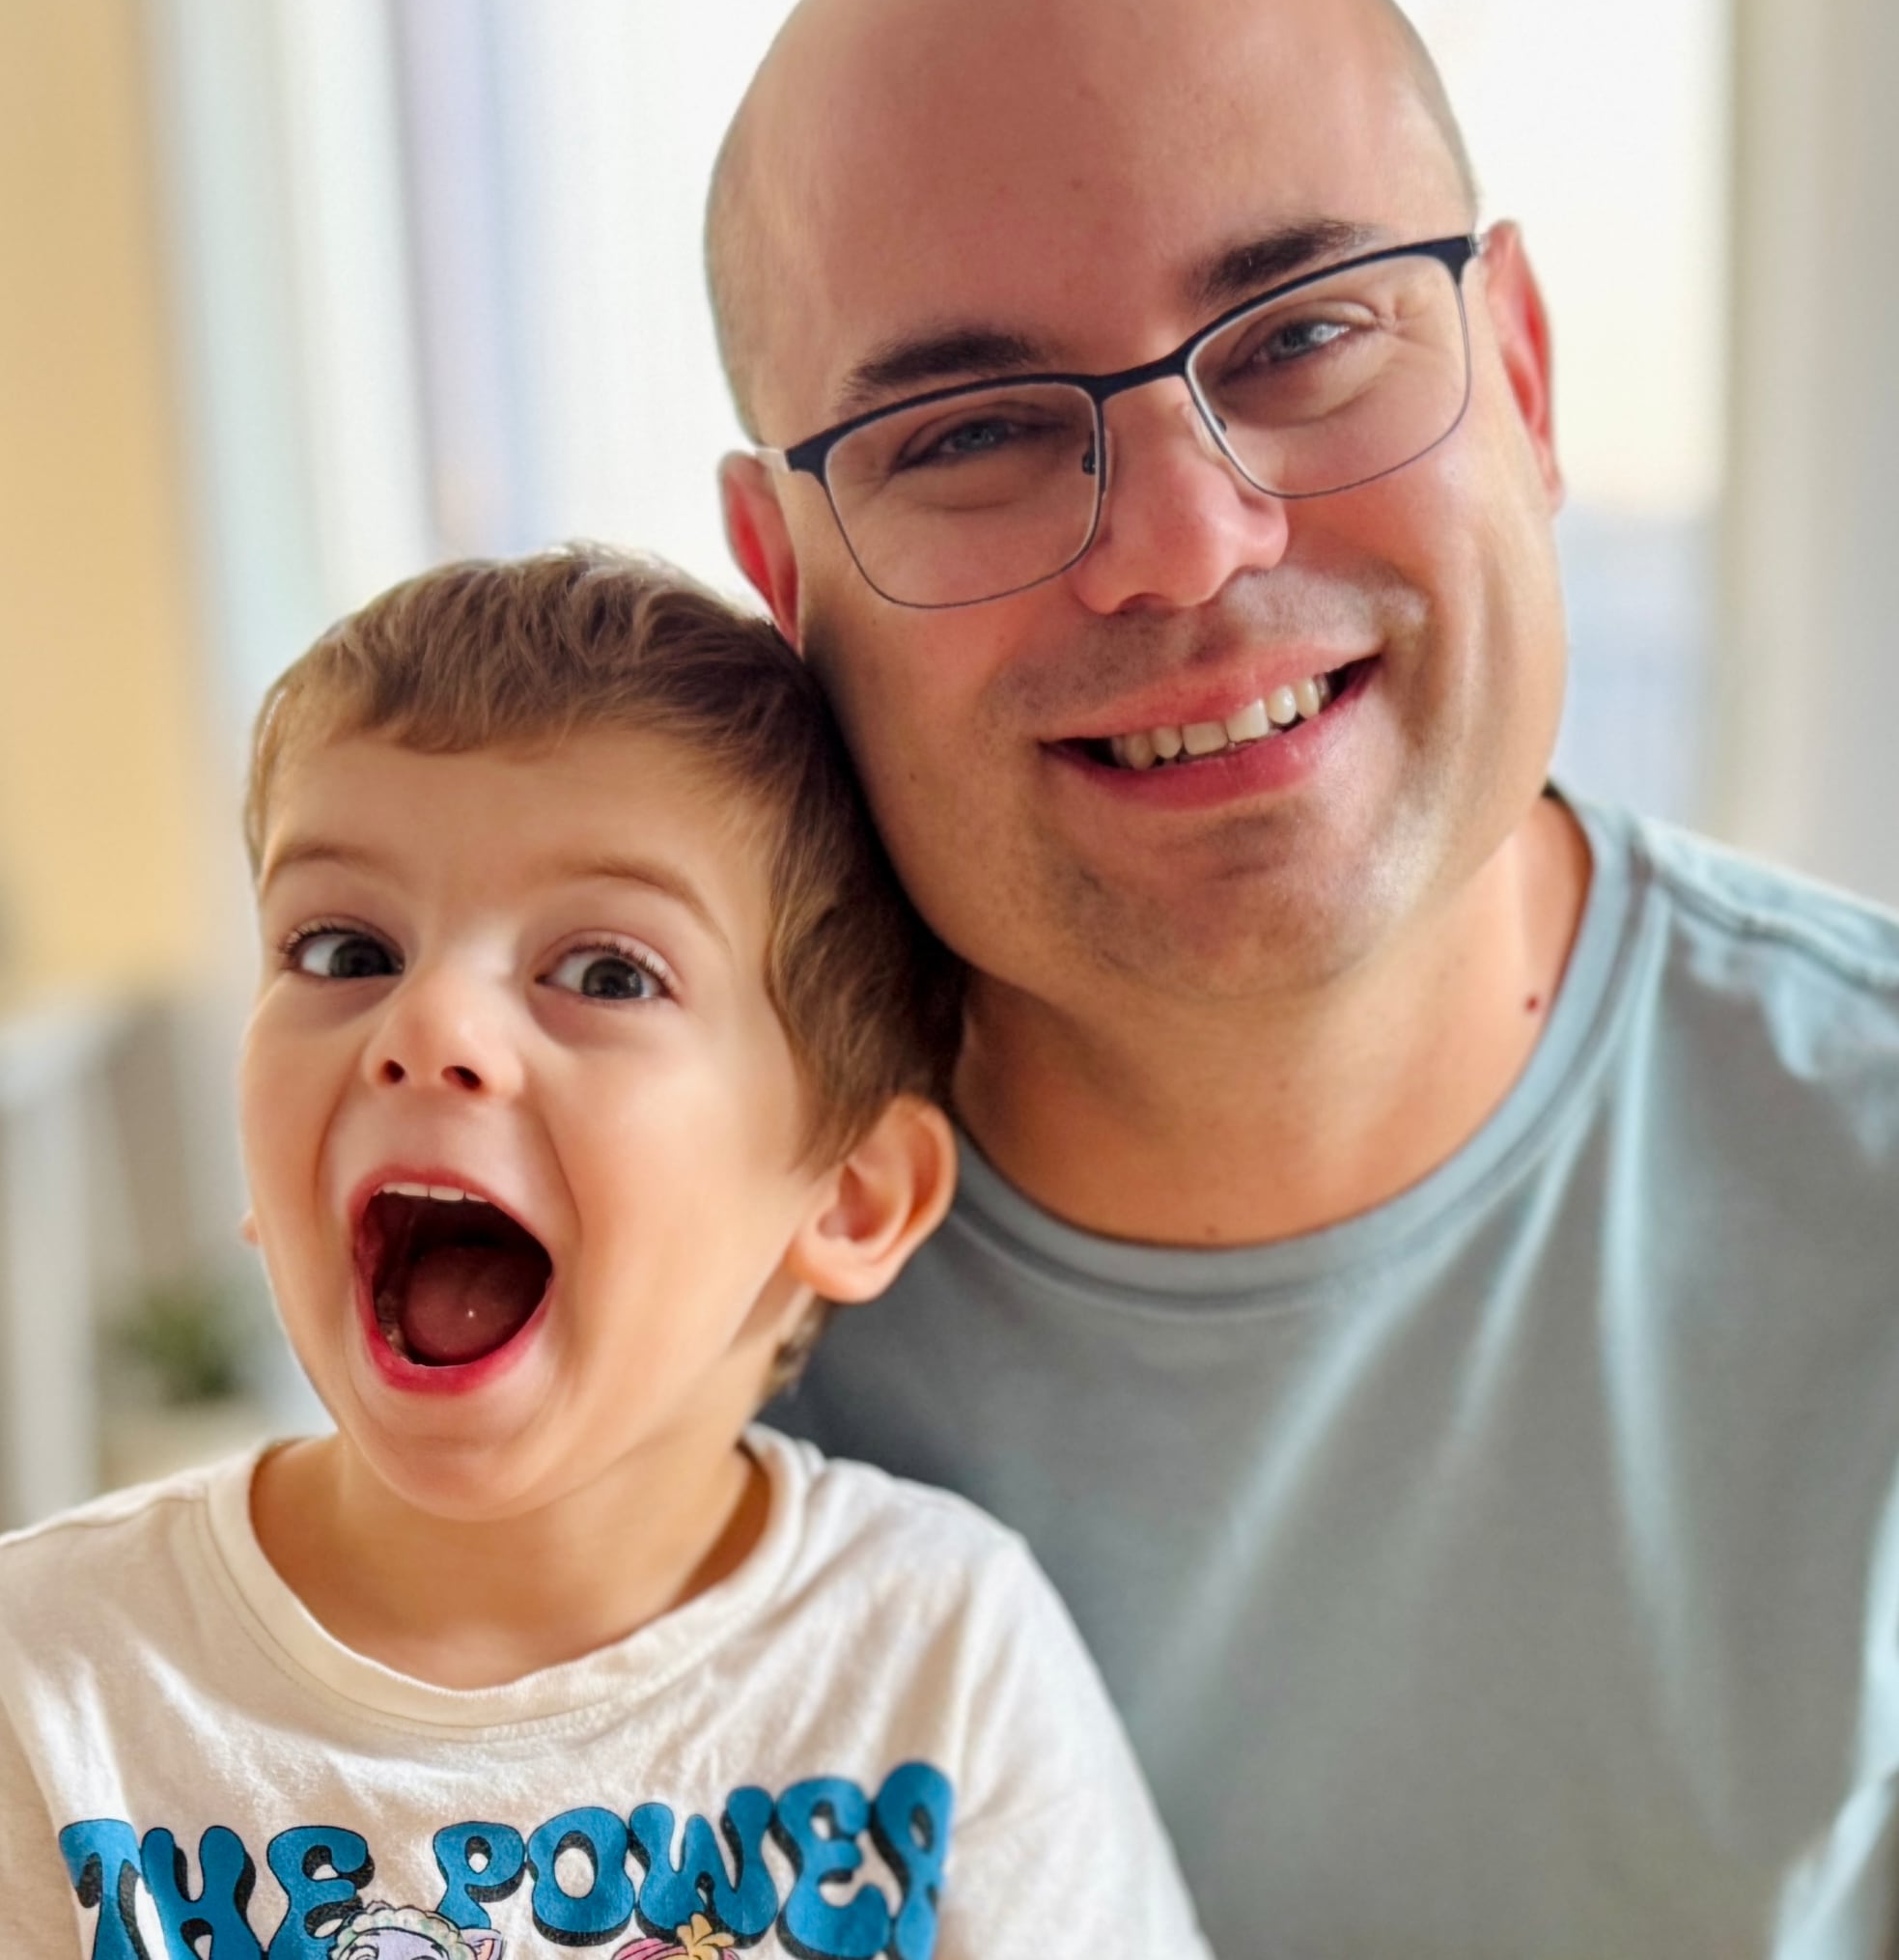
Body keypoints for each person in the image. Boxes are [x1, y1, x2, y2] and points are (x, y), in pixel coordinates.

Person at [709, 0, 1899, 1955]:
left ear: (1521, 373)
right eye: (968, 430)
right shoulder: (650, 1305)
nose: (1182, 539)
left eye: (1306, 333)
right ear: (783, 578)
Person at [0, 548, 1210, 1960]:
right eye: (342, 950)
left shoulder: (940, 1657)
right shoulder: (50, 1675)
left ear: (852, 1197)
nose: (429, 1026)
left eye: (606, 974)